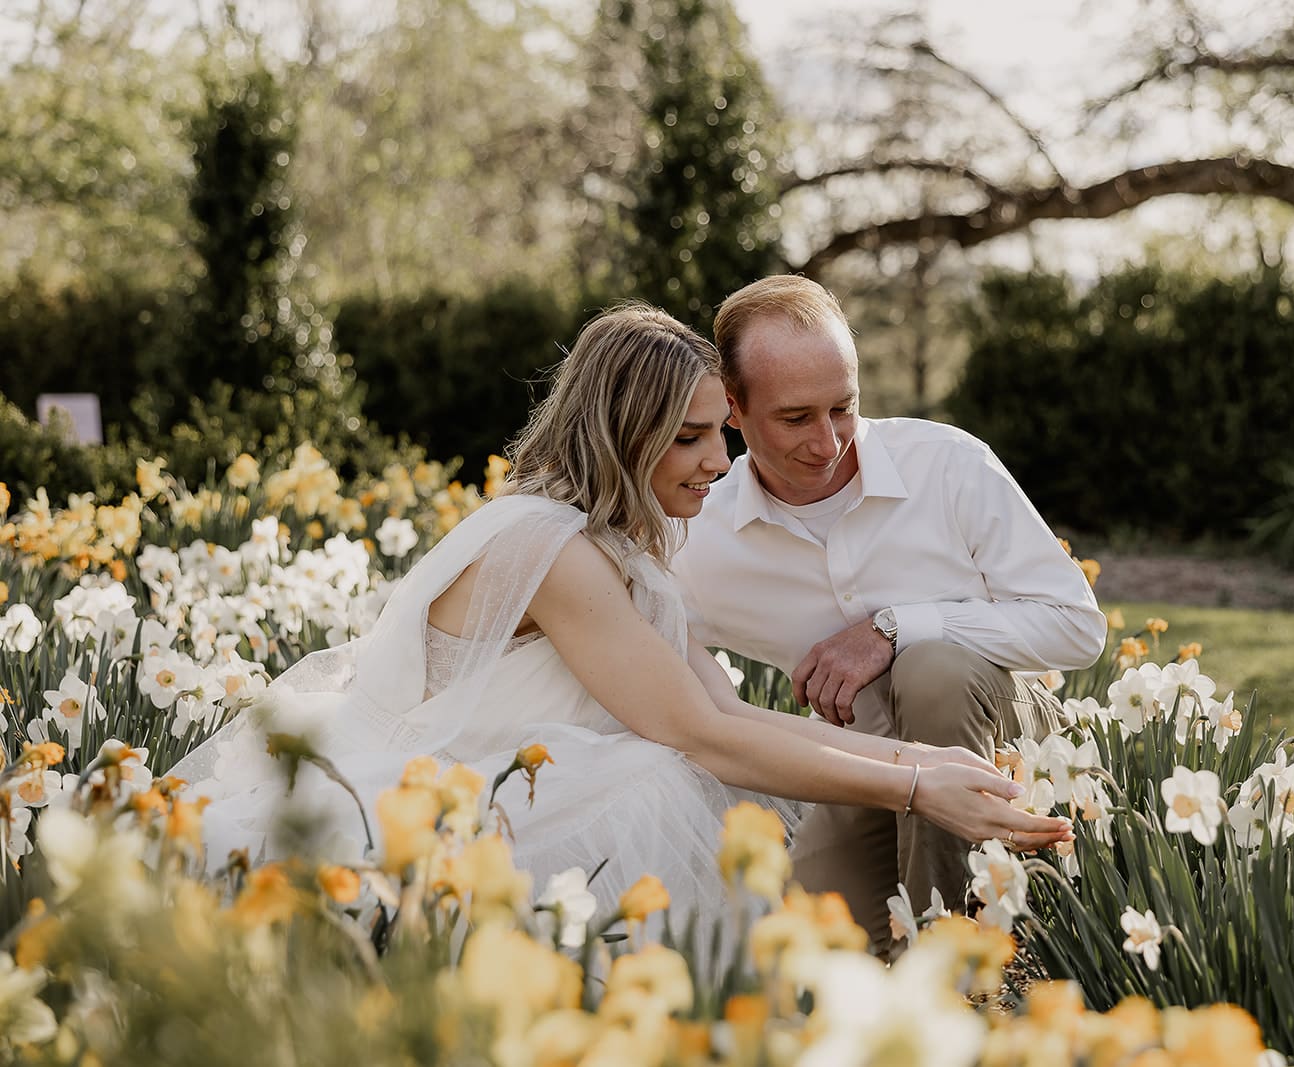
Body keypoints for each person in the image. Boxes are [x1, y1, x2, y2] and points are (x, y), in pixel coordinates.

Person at [172, 303, 1068, 939]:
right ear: (616, 431)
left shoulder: (626, 550)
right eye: (690, 436)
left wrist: (930, 761)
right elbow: (703, 736)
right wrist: (914, 787)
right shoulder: (548, 546)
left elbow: (738, 715)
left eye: (720, 432)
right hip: (428, 807)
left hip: (514, 787)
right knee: (652, 770)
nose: (720, 461)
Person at [673, 276, 1105, 952]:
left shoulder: (948, 465)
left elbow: (1079, 626)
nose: (828, 441)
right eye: (796, 417)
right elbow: (650, 640)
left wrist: (895, 626)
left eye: (843, 407)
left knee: (933, 667)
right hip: (868, 761)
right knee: (812, 950)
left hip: (1006, 728)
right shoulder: (703, 538)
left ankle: (947, 953)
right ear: (733, 407)